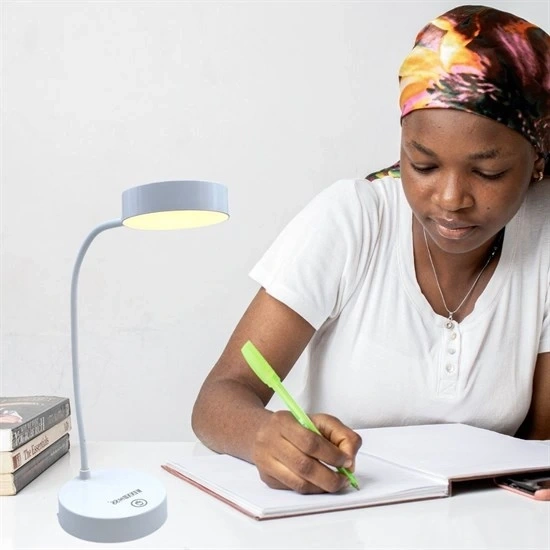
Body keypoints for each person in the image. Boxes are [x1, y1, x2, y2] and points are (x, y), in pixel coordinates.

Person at [192, 5, 550, 494]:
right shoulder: (353, 220)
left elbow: (540, 445)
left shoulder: (543, 234)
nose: (450, 199)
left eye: (488, 173)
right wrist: (263, 435)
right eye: (422, 165)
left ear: (537, 162)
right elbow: (217, 398)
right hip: (340, 514)